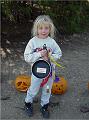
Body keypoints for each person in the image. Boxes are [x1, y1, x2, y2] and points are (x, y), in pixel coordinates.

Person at [24, 15, 62, 118]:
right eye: (41, 28)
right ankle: (28, 104)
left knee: (47, 89)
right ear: (36, 29)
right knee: (33, 89)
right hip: (37, 73)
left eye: (46, 28)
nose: (43, 31)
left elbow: (59, 53)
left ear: (50, 29)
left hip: (49, 74)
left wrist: (50, 56)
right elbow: (27, 57)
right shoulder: (33, 42)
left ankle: (44, 106)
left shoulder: (52, 42)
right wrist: (39, 54)